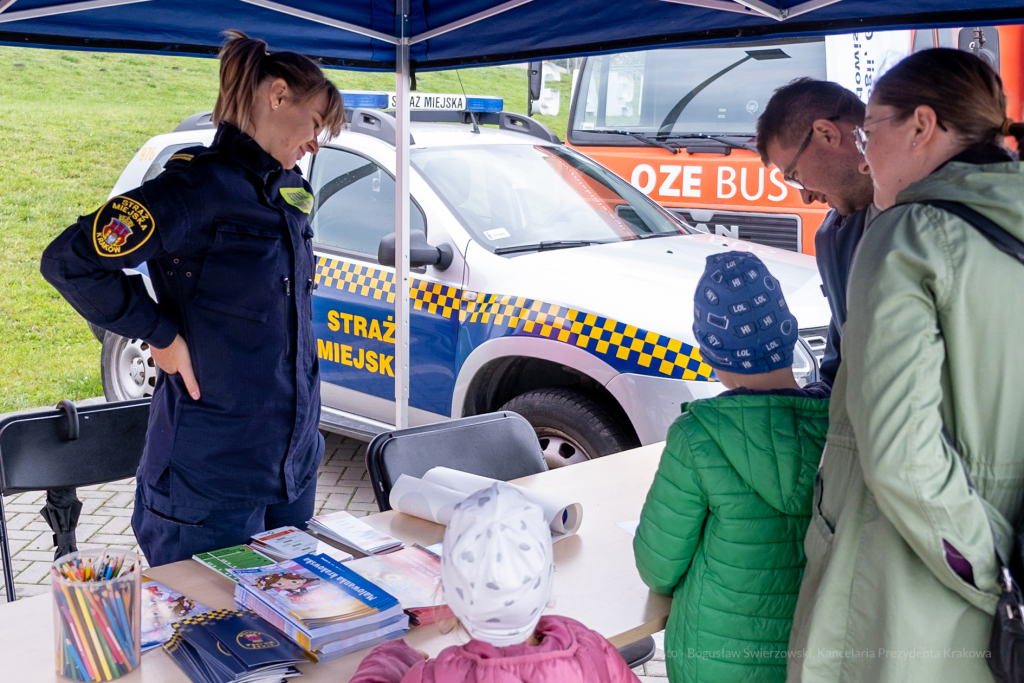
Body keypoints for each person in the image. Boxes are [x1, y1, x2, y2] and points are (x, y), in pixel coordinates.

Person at [40, 31, 346, 566]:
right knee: (212, 642)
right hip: (209, 484)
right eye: (316, 122)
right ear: (278, 96)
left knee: (288, 636)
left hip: (290, 472)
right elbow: (69, 261)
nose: (316, 142)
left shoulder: (286, 192)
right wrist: (159, 332)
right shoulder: (192, 191)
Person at [788, 48, 1024, 683]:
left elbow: (900, 454)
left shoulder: (906, 235)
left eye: (872, 129)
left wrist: (993, 575)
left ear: (922, 126)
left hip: (915, 577)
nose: (865, 153)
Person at [633, 251, 830, 683]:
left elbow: (657, 569)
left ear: (713, 354)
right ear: (788, 334)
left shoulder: (697, 437)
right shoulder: (839, 426)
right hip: (813, 652)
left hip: (715, 661)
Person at [350, 482, 640, 683]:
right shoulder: (589, 647)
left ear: (447, 590)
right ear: (547, 581)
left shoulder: (433, 676)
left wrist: (388, 660)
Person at [756, 78, 875, 385]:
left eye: (795, 176)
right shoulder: (833, 237)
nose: (805, 195)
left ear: (826, 134)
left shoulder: (946, 214)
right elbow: (839, 374)